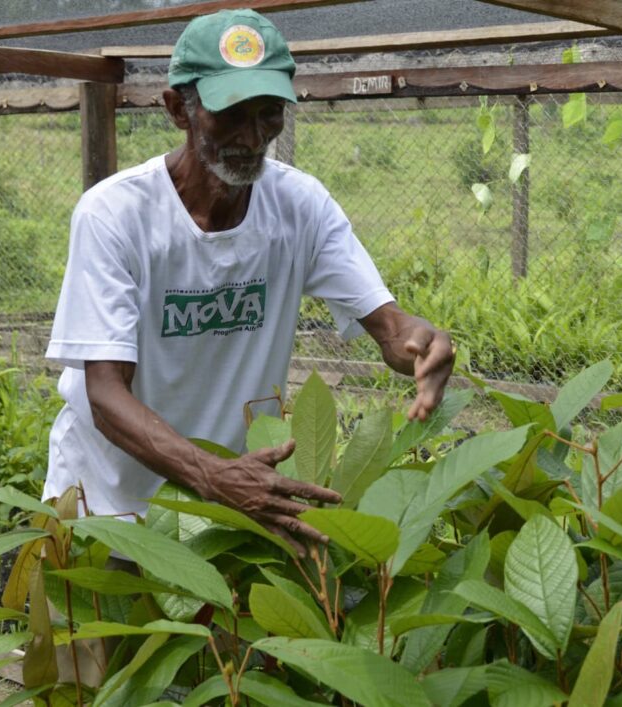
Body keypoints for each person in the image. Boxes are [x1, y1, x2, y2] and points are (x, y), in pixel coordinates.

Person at [43, 8, 455, 557]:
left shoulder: (299, 205)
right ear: (177, 109)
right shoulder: (116, 215)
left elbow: (389, 326)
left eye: (268, 114)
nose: (252, 136)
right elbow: (104, 394)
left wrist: (419, 344)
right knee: (106, 640)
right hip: (107, 506)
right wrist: (212, 476)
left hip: (233, 504)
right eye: (230, 114)